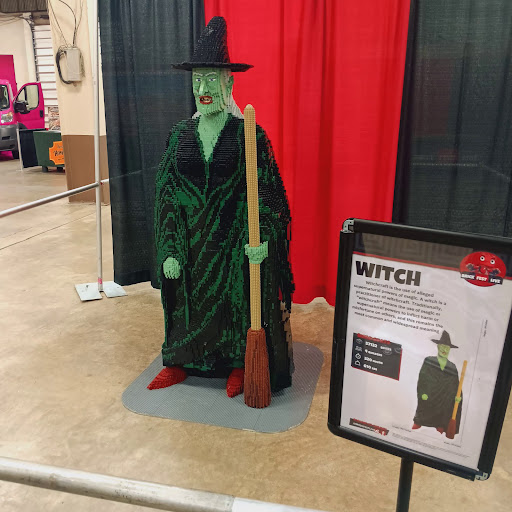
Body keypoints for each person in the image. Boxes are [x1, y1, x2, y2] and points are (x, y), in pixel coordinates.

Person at [148, 17, 294, 398]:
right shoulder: (179, 136)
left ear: (229, 84)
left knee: (237, 298)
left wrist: (263, 237)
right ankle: (180, 359)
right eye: (197, 80)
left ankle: (237, 362)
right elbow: (166, 195)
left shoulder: (248, 134)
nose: (202, 89)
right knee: (182, 294)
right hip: (189, 246)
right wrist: (169, 248)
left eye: (211, 80)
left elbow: (268, 194)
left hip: (232, 247)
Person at [413, 330, 462, 435]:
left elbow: (455, 384)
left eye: (447, 348)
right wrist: (423, 393)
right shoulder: (429, 360)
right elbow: (422, 379)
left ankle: (441, 424)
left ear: (450, 350)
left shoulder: (452, 366)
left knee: (448, 400)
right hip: (430, 394)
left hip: (443, 397)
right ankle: (419, 421)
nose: (444, 350)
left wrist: (459, 396)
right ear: (438, 346)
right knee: (425, 399)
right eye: (442, 346)